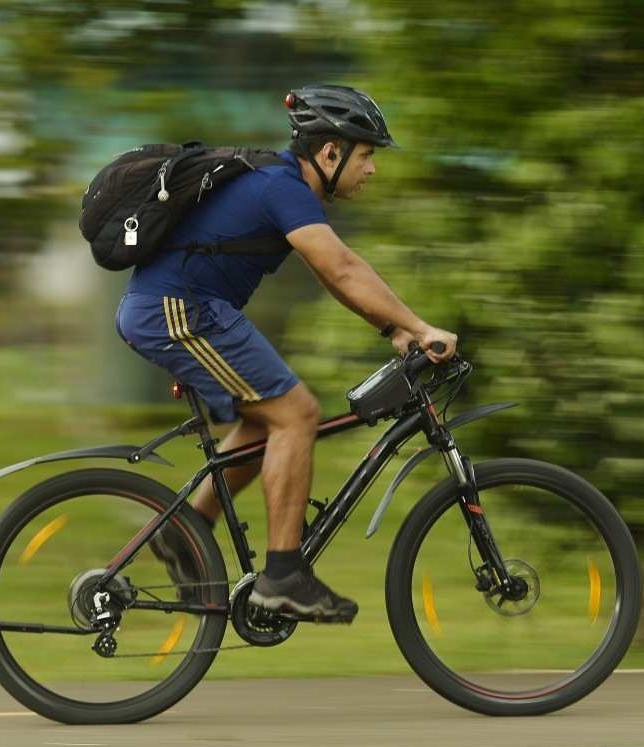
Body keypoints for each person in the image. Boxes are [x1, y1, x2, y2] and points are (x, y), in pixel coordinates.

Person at [115, 85, 457, 621]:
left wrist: (393, 327)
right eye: (366, 155)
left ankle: (187, 533)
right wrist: (414, 325)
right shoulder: (283, 186)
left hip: (186, 309)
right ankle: (282, 576)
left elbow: (336, 275)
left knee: (268, 420)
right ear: (329, 153)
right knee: (297, 413)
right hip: (177, 310)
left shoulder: (279, 187)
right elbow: (340, 267)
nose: (371, 170)